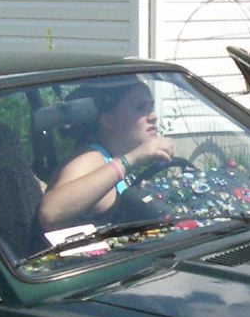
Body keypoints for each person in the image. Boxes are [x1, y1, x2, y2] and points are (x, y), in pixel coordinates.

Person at [40, 77, 176, 230]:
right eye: (140, 107)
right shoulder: (90, 158)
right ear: (108, 121)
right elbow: (51, 212)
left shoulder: (108, 157)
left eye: (151, 106)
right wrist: (132, 159)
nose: (153, 116)